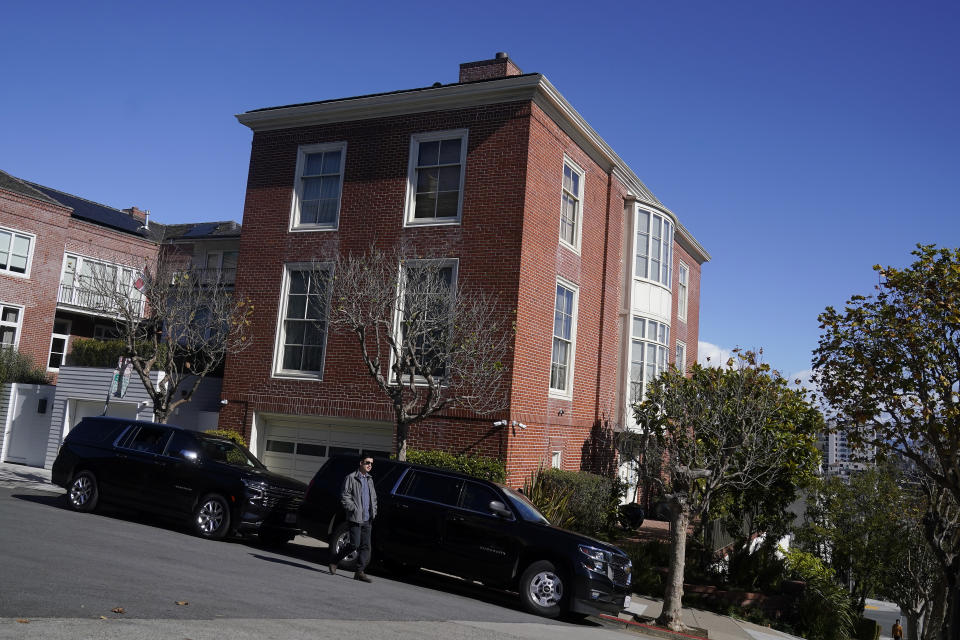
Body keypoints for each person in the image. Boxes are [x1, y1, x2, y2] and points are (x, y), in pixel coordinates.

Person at [328, 456, 377, 583]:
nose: (369, 465)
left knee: (366, 546)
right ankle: (335, 560)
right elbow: (345, 495)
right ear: (361, 463)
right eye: (367, 463)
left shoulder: (369, 480)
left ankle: (359, 572)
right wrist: (353, 509)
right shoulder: (351, 478)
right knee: (354, 544)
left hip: (367, 518)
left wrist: (374, 511)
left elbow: (374, 498)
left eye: (371, 463)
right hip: (356, 517)